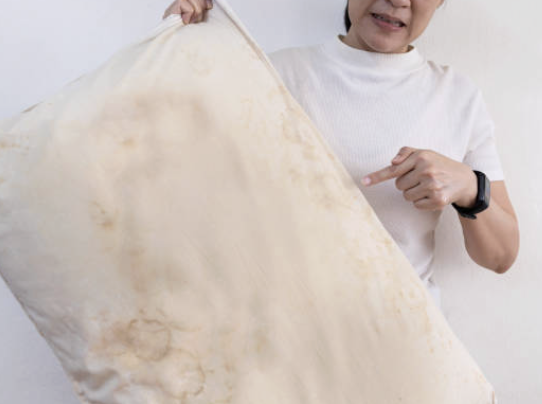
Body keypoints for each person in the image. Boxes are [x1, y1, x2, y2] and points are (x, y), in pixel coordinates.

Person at [162, 0, 519, 309]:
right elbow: (176, 175)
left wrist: (470, 188)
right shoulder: (270, 75)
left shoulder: (457, 96)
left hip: (407, 344)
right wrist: (176, 48)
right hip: (285, 339)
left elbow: (501, 256)